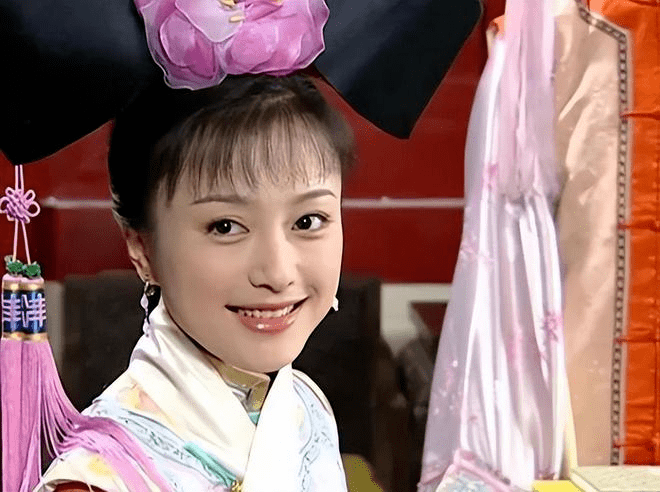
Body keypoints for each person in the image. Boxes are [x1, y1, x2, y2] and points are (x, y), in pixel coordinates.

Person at [37, 74, 355, 492]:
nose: (278, 273)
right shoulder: (99, 478)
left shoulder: (307, 408)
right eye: (225, 226)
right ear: (143, 250)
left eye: (308, 221)